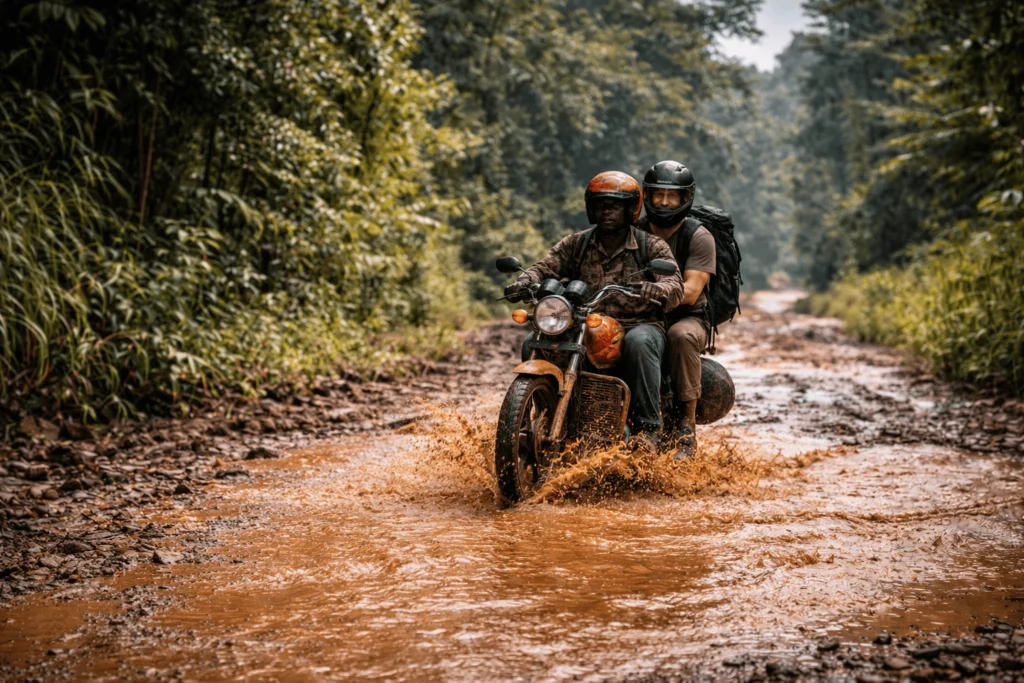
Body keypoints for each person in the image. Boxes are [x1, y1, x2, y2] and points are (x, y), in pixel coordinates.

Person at [504, 171, 684, 446]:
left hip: (637, 324)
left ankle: (648, 429)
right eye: (601, 205)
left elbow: (674, 283)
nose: (607, 211)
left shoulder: (650, 245)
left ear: (631, 210)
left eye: (615, 206)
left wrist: (659, 289)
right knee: (533, 341)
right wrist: (524, 282)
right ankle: (543, 414)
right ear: (591, 209)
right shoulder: (576, 243)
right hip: (583, 323)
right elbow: (544, 266)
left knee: (639, 342)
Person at [638, 160, 716, 459]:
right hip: (639, 314)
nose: (664, 202)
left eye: (672, 196)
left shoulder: (698, 236)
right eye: (658, 194)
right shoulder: (634, 230)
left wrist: (657, 292)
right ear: (647, 195)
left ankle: (685, 428)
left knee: (680, 337)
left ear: (686, 198)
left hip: (686, 316)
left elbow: (692, 290)